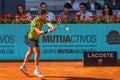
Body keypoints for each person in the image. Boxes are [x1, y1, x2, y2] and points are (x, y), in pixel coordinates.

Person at [19, 10, 56, 78]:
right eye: (44, 15)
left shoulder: (42, 19)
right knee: (37, 52)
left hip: (33, 37)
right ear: (40, 15)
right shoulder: (34, 22)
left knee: (30, 52)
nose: (45, 16)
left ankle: (23, 66)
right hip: (32, 38)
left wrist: (52, 26)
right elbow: (38, 32)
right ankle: (36, 70)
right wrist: (48, 31)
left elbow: (47, 22)